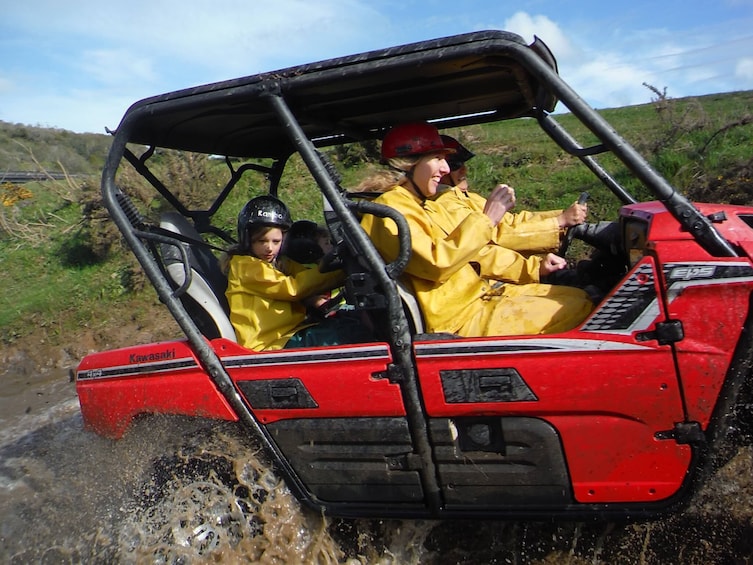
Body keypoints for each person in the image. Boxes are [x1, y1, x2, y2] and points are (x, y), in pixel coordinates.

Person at [358, 122, 593, 337]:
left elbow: (476, 254)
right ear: (409, 163)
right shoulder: (388, 211)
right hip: (455, 319)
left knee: (580, 297)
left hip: (479, 296)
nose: (445, 168)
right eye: (437, 158)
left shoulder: (422, 204)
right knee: (580, 308)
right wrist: (486, 220)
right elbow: (436, 264)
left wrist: (533, 268)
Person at [224, 195, 360, 350]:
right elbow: (294, 288)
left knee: (354, 317)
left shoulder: (280, 262)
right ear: (247, 240)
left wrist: (338, 269)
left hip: (290, 333)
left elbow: (308, 276)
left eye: (276, 242)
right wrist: (342, 270)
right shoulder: (244, 266)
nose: (269, 248)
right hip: (268, 345)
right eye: (261, 241)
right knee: (353, 332)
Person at [436, 134, 588, 255]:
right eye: (455, 166)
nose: (464, 170)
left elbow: (511, 221)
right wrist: (559, 222)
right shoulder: (447, 205)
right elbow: (498, 238)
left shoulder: (463, 196)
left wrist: (561, 216)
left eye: (463, 164)